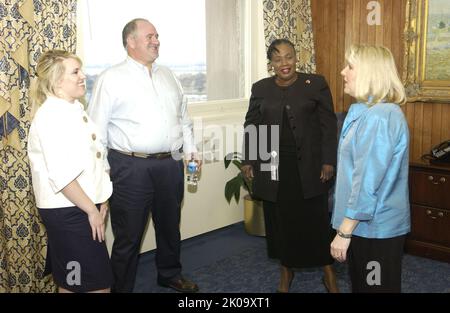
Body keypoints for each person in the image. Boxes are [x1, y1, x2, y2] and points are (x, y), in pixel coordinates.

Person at [87, 18, 200, 293]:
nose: (156, 41)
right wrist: (101, 175)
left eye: (157, 36)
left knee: (170, 226)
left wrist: (191, 150)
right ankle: (120, 287)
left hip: (170, 165)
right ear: (131, 41)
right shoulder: (110, 78)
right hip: (129, 166)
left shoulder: (169, 75)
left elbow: (183, 119)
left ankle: (170, 274)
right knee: (128, 235)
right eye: (149, 36)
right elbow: (96, 132)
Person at [241, 39, 339, 293]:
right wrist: (249, 159)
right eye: (277, 59)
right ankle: (286, 272)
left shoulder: (315, 83)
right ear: (271, 63)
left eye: (288, 57)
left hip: (310, 166)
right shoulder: (261, 88)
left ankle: (328, 271)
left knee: (315, 221)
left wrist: (329, 160)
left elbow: (329, 125)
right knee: (281, 222)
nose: (284, 63)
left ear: (297, 58)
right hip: (273, 165)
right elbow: (252, 126)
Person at [27, 50, 113, 293]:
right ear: (56, 81)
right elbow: (62, 176)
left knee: (74, 281)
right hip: (69, 210)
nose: (83, 75)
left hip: (81, 205)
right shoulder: (51, 117)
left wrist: (101, 198)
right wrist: (91, 210)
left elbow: (95, 157)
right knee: (90, 284)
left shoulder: (72, 109)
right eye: (75, 72)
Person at [330, 44, 410, 293]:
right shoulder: (366, 112)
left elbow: (366, 181)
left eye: (351, 66)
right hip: (365, 226)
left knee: (373, 289)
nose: (343, 71)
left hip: (375, 229)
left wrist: (344, 232)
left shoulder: (379, 116)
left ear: (370, 73)